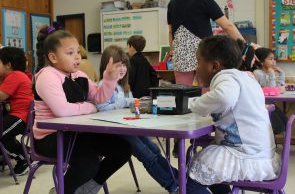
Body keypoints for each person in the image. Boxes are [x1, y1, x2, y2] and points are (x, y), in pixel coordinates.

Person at [33, 25, 132, 194]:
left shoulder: (79, 75)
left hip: (76, 132)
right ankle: (63, 191)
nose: (77, 57)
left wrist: (108, 79)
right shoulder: (47, 76)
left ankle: (86, 189)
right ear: (53, 57)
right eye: (70, 53)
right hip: (50, 137)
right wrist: (88, 107)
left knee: (122, 149)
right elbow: (62, 111)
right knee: (88, 163)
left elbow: (100, 97)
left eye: (78, 52)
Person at [186, 35, 280, 194]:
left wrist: (190, 104)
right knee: (206, 168)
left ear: (214, 66)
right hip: (261, 153)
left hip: (245, 155)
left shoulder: (225, 77)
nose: (197, 67)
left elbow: (224, 97)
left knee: (191, 180)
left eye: (199, 62)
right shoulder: (245, 77)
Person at [167, 0, 245, 157]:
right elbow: (227, 26)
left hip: (180, 51)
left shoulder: (173, 1)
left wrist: (174, 51)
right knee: (208, 96)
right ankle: (203, 139)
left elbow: (170, 31)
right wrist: (244, 47)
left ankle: (179, 142)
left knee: (183, 98)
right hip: (204, 53)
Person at [97, 45, 179, 194]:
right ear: (106, 66)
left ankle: (177, 178)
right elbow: (102, 109)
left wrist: (140, 102)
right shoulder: (103, 85)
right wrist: (125, 103)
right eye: (117, 65)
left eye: (124, 65)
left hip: (127, 126)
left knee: (154, 149)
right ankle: (172, 185)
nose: (122, 69)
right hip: (113, 131)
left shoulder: (122, 86)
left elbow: (127, 103)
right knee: (146, 154)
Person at [0, 46, 34, 175]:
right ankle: (14, 155)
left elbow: (1, 96)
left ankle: (24, 158)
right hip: (17, 115)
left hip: (21, 117)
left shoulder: (15, 75)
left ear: (8, 65)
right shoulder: (11, 76)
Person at [253, 47, 287, 135]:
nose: (274, 61)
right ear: (261, 61)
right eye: (270, 59)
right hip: (262, 107)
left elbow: (279, 89)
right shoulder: (257, 73)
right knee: (279, 127)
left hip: (270, 104)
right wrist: (272, 75)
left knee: (286, 122)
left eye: (274, 59)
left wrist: (282, 74)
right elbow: (271, 92)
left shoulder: (269, 72)